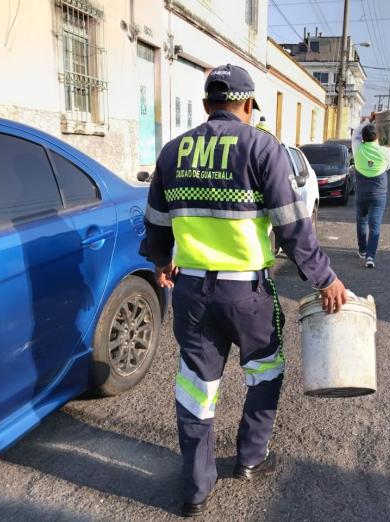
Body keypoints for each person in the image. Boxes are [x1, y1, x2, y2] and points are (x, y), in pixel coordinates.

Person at [140, 64, 348, 517]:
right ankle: (252, 458)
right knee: (266, 371)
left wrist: (160, 262)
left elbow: (156, 221)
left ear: (205, 105)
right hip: (248, 294)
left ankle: (196, 489)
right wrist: (325, 278)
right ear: (249, 106)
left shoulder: (173, 151)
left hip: (192, 291)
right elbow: (294, 226)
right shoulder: (261, 146)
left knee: (196, 387)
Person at [351, 113, 390, 269]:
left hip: (361, 193)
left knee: (361, 221)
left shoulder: (357, 148)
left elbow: (355, 134)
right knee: (374, 225)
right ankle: (370, 257)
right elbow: (388, 166)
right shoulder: (383, 151)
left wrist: (369, 120)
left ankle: (362, 250)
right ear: (377, 137)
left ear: (363, 138)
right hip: (378, 194)